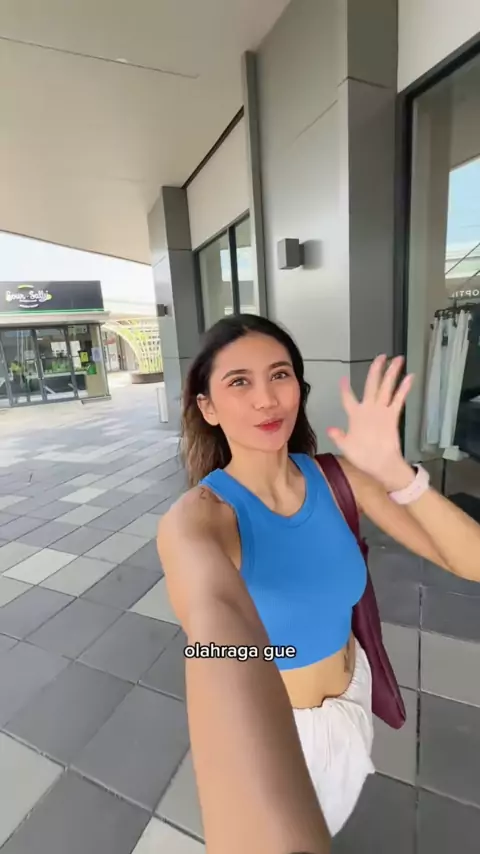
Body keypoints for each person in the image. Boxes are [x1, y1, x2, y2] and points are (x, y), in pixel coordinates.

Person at [157, 314, 480, 848]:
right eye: (239, 382)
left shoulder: (336, 479)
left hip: (353, 699)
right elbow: (214, 640)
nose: (267, 399)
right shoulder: (201, 517)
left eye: (279, 375)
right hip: (284, 734)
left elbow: (471, 561)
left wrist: (397, 473)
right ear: (207, 407)